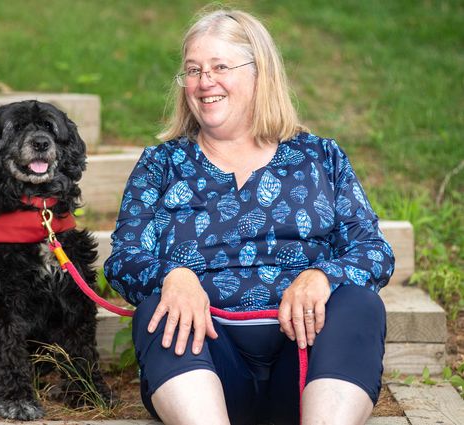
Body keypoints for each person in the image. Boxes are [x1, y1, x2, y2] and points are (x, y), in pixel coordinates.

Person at [104, 8, 394, 425]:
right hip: (205, 361)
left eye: (220, 66)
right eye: (193, 70)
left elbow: (374, 251)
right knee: (159, 308)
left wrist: (322, 277)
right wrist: (173, 277)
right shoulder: (161, 165)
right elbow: (124, 258)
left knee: (359, 303)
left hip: (305, 356)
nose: (205, 82)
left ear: (261, 73)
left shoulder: (320, 157)